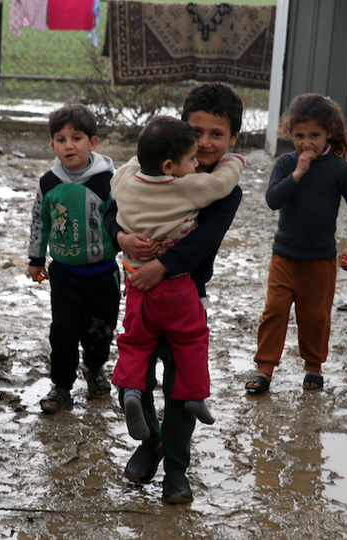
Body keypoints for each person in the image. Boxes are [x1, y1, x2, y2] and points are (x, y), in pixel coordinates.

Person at [104, 82, 244, 504]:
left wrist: (160, 267)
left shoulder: (223, 189)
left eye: (216, 135)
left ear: (233, 138)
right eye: (195, 130)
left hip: (185, 292)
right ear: (182, 128)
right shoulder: (152, 163)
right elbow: (114, 209)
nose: (204, 143)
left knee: (183, 385)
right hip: (141, 292)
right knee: (135, 375)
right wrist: (121, 238)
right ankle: (151, 444)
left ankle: (176, 469)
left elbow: (204, 243)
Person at [244, 93, 347, 395]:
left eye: (314, 135)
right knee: (274, 311)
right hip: (284, 256)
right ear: (290, 135)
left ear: (329, 134)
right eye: (299, 135)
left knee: (315, 317)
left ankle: (313, 367)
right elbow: (272, 200)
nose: (306, 142)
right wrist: (298, 173)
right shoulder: (286, 164)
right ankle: (264, 369)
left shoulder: (339, 169)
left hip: (321, 260)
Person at [27, 103, 120, 414]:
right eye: (61, 139)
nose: (69, 145)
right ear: (53, 145)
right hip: (64, 274)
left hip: (103, 273)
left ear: (92, 143)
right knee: (63, 332)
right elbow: (40, 220)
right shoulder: (49, 183)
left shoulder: (108, 181)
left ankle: (94, 370)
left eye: (77, 137)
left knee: (100, 331)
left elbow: (125, 218)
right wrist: (36, 259)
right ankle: (62, 387)